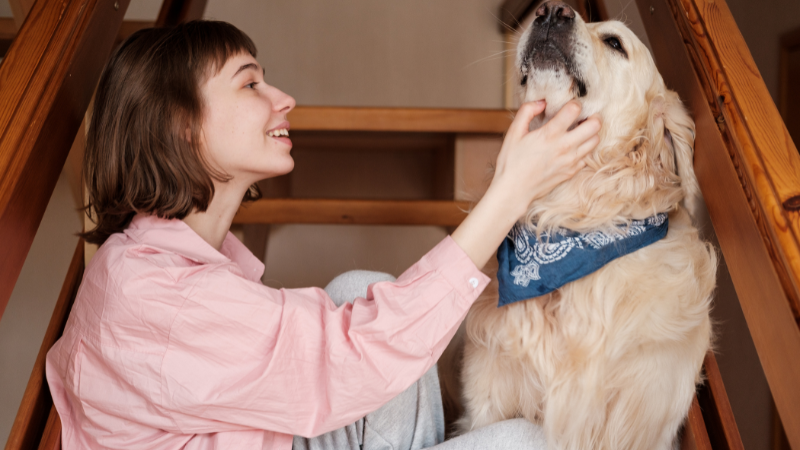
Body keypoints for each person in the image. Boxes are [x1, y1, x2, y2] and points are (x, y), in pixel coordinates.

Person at [45, 20, 600, 450]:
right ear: (182, 126)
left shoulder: (150, 268)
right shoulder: (163, 299)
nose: (283, 98)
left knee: (359, 289)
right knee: (529, 443)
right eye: (251, 83)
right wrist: (511, 191)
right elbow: (355, 356)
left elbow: (342, 356)